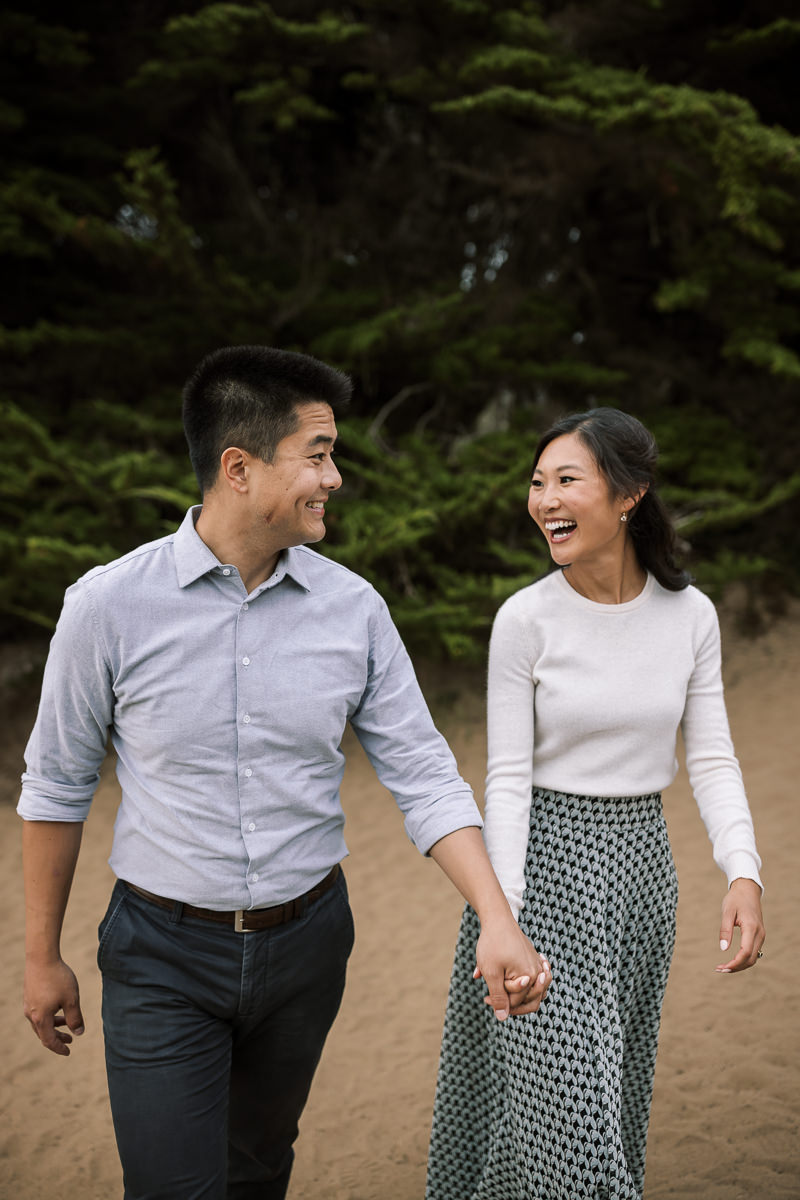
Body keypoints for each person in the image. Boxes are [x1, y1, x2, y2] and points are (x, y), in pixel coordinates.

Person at [19, 345, 550, 1200]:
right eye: (319, 453)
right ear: (239, 468)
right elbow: (56, 786)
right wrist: (41, 955)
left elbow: (423, 774)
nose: (335, 477)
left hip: (307, 948)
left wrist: (497, 916)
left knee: (260, 1171)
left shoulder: (355, 610)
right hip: (160, 954)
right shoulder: (107, 606)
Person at [425, 407, 765, 1200]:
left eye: (566, 480)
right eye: (538, 483)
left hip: (643, 874)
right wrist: (500, 914)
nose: (545, 499)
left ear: (629, 495)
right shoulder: (525, 620)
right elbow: (505, 778)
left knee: (600, 1100)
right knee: (568, 1124)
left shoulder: (691, 617)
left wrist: (742, 870)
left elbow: (709, 755)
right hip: (539, 874)